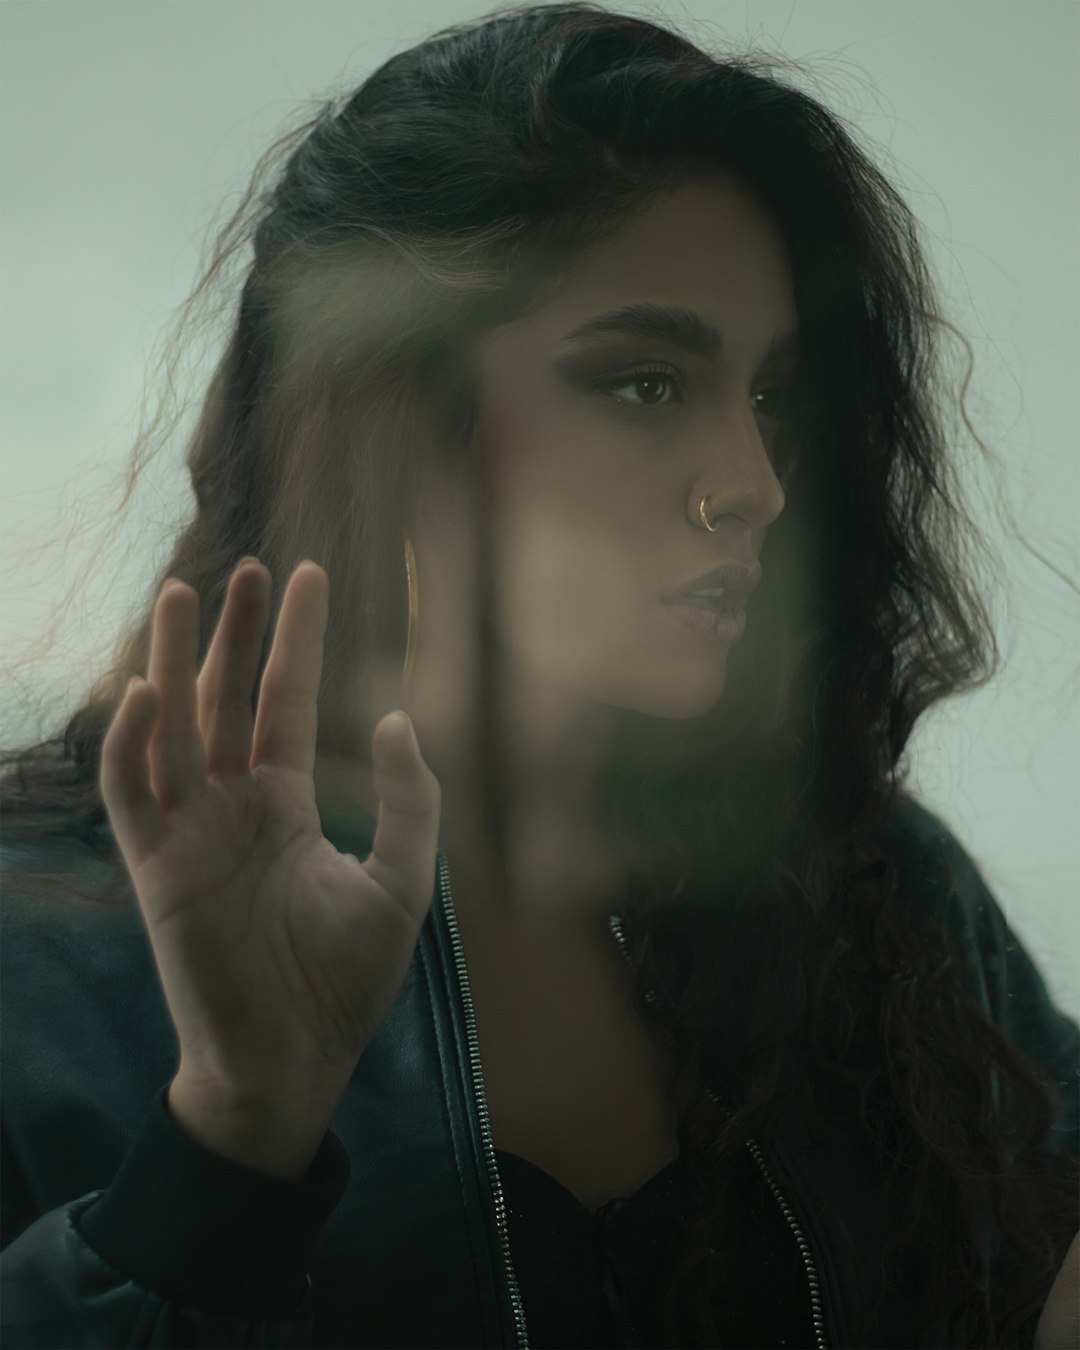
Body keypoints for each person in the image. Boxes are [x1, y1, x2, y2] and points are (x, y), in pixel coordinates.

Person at [1, 3, 1076, 1347]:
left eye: (769, 396)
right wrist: (234, 1125)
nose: (751, 485)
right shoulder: (34, 955)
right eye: (644, 383)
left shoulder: (876, 889)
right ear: (387, 407)